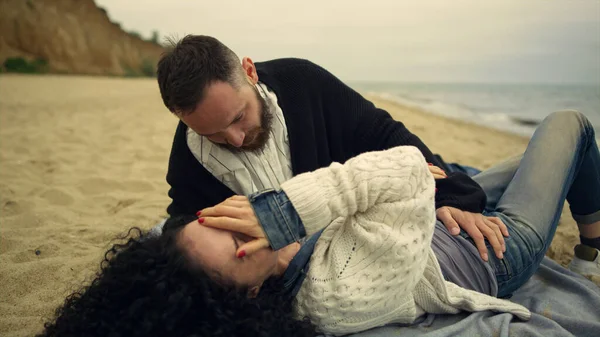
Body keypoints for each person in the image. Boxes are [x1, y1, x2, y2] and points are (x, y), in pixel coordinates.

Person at [38, 111, 600, 336]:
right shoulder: (335, 295)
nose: (248, 220)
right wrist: (284, 210)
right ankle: (591, 251)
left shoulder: (255, 269)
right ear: (251, 293)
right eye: (238, 237)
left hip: (421, 222)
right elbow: (406, 170)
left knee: (471, 172)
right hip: (485, 250)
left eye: (215, 218)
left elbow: (172, 241)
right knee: (567, 125)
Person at [157, 35, 507, 263]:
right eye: (213, 134)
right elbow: (183, 222)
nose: (233, 139)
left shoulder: (302, 81)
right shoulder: (190, 151)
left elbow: (385, 134)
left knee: (482, 183)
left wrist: (453, 197)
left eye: (238, 118)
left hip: (416, 174)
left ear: (250, 72)